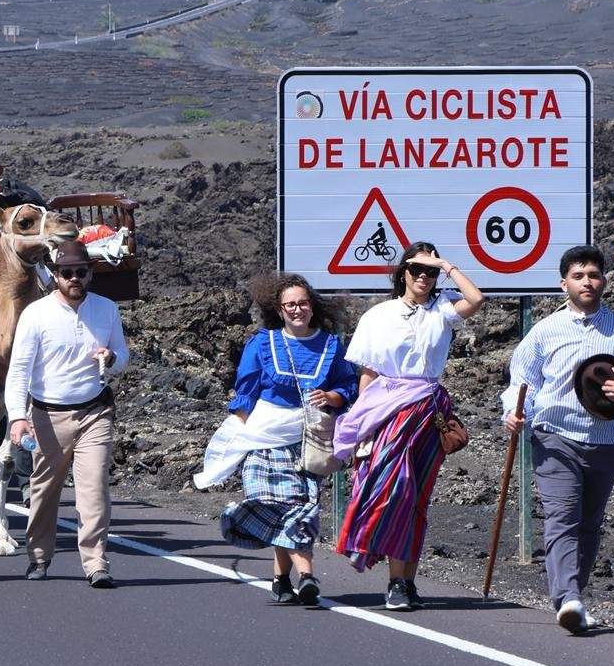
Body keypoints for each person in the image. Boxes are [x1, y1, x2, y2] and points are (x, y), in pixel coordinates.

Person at [503, 245, 614, 634]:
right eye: (578, 276)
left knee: (590, 523)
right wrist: (513, 412)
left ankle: (573, 595)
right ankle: (569, 598)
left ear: (604, 280)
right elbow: (520, 382)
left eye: (593, 275)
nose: (587, 282)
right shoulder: (544, 331)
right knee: (562, 516)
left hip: (606, 441)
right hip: (554, 437)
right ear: (564, 284)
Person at [332, 241, 484, 611]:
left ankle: (406, 582)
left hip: (429, 410)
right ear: (403, 272)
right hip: (389, 409)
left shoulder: (442, 311)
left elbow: (476, 299)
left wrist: (445, 264)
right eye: (417, 269)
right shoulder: (379, 315)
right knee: (394, 491)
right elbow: (368, 374)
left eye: (430, 272)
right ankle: (395, 580)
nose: (424, 277)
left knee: (417, 498)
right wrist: (362, 427)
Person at [198, 273, 357, 607]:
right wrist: (234, 437)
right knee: (278, 506)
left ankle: (281, 579)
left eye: (302, 303)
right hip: (264, 439)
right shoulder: (262, 343)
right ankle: (307, 574)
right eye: (290, 305)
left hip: (305, 439)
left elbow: (347, 386)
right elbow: (246, 391)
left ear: (311, 306)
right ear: (280, 310)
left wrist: (331, 395)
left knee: (299, 509)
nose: (296, 310)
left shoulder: (330, 345)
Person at [5, 238, 131, 587]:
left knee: (93, 490)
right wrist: (17, 417)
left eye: (81, 272)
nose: (74, 278)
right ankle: (40, 557)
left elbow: (123, 355)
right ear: (54, 275)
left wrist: (111, 359)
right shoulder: (36, 314)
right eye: (66, 273)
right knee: (44, 491)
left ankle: (96, 564)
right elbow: (19, 370)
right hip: (47, 415)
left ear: (90, 274)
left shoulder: (106, 309)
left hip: (94, 412)